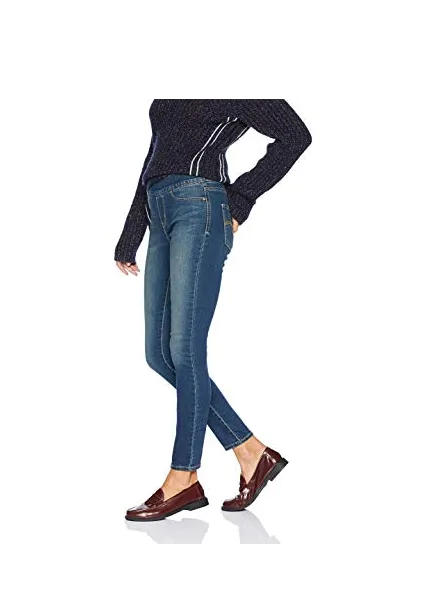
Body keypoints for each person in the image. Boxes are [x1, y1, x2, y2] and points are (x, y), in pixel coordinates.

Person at [114, 96, 312, 521]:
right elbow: (155, 156)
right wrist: (131, 234)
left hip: (199, 207)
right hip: (159, 208)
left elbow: (296, 136)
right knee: (158, 354)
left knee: (185, 350)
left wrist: (241, 200)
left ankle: (183, 476)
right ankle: (252, 452)